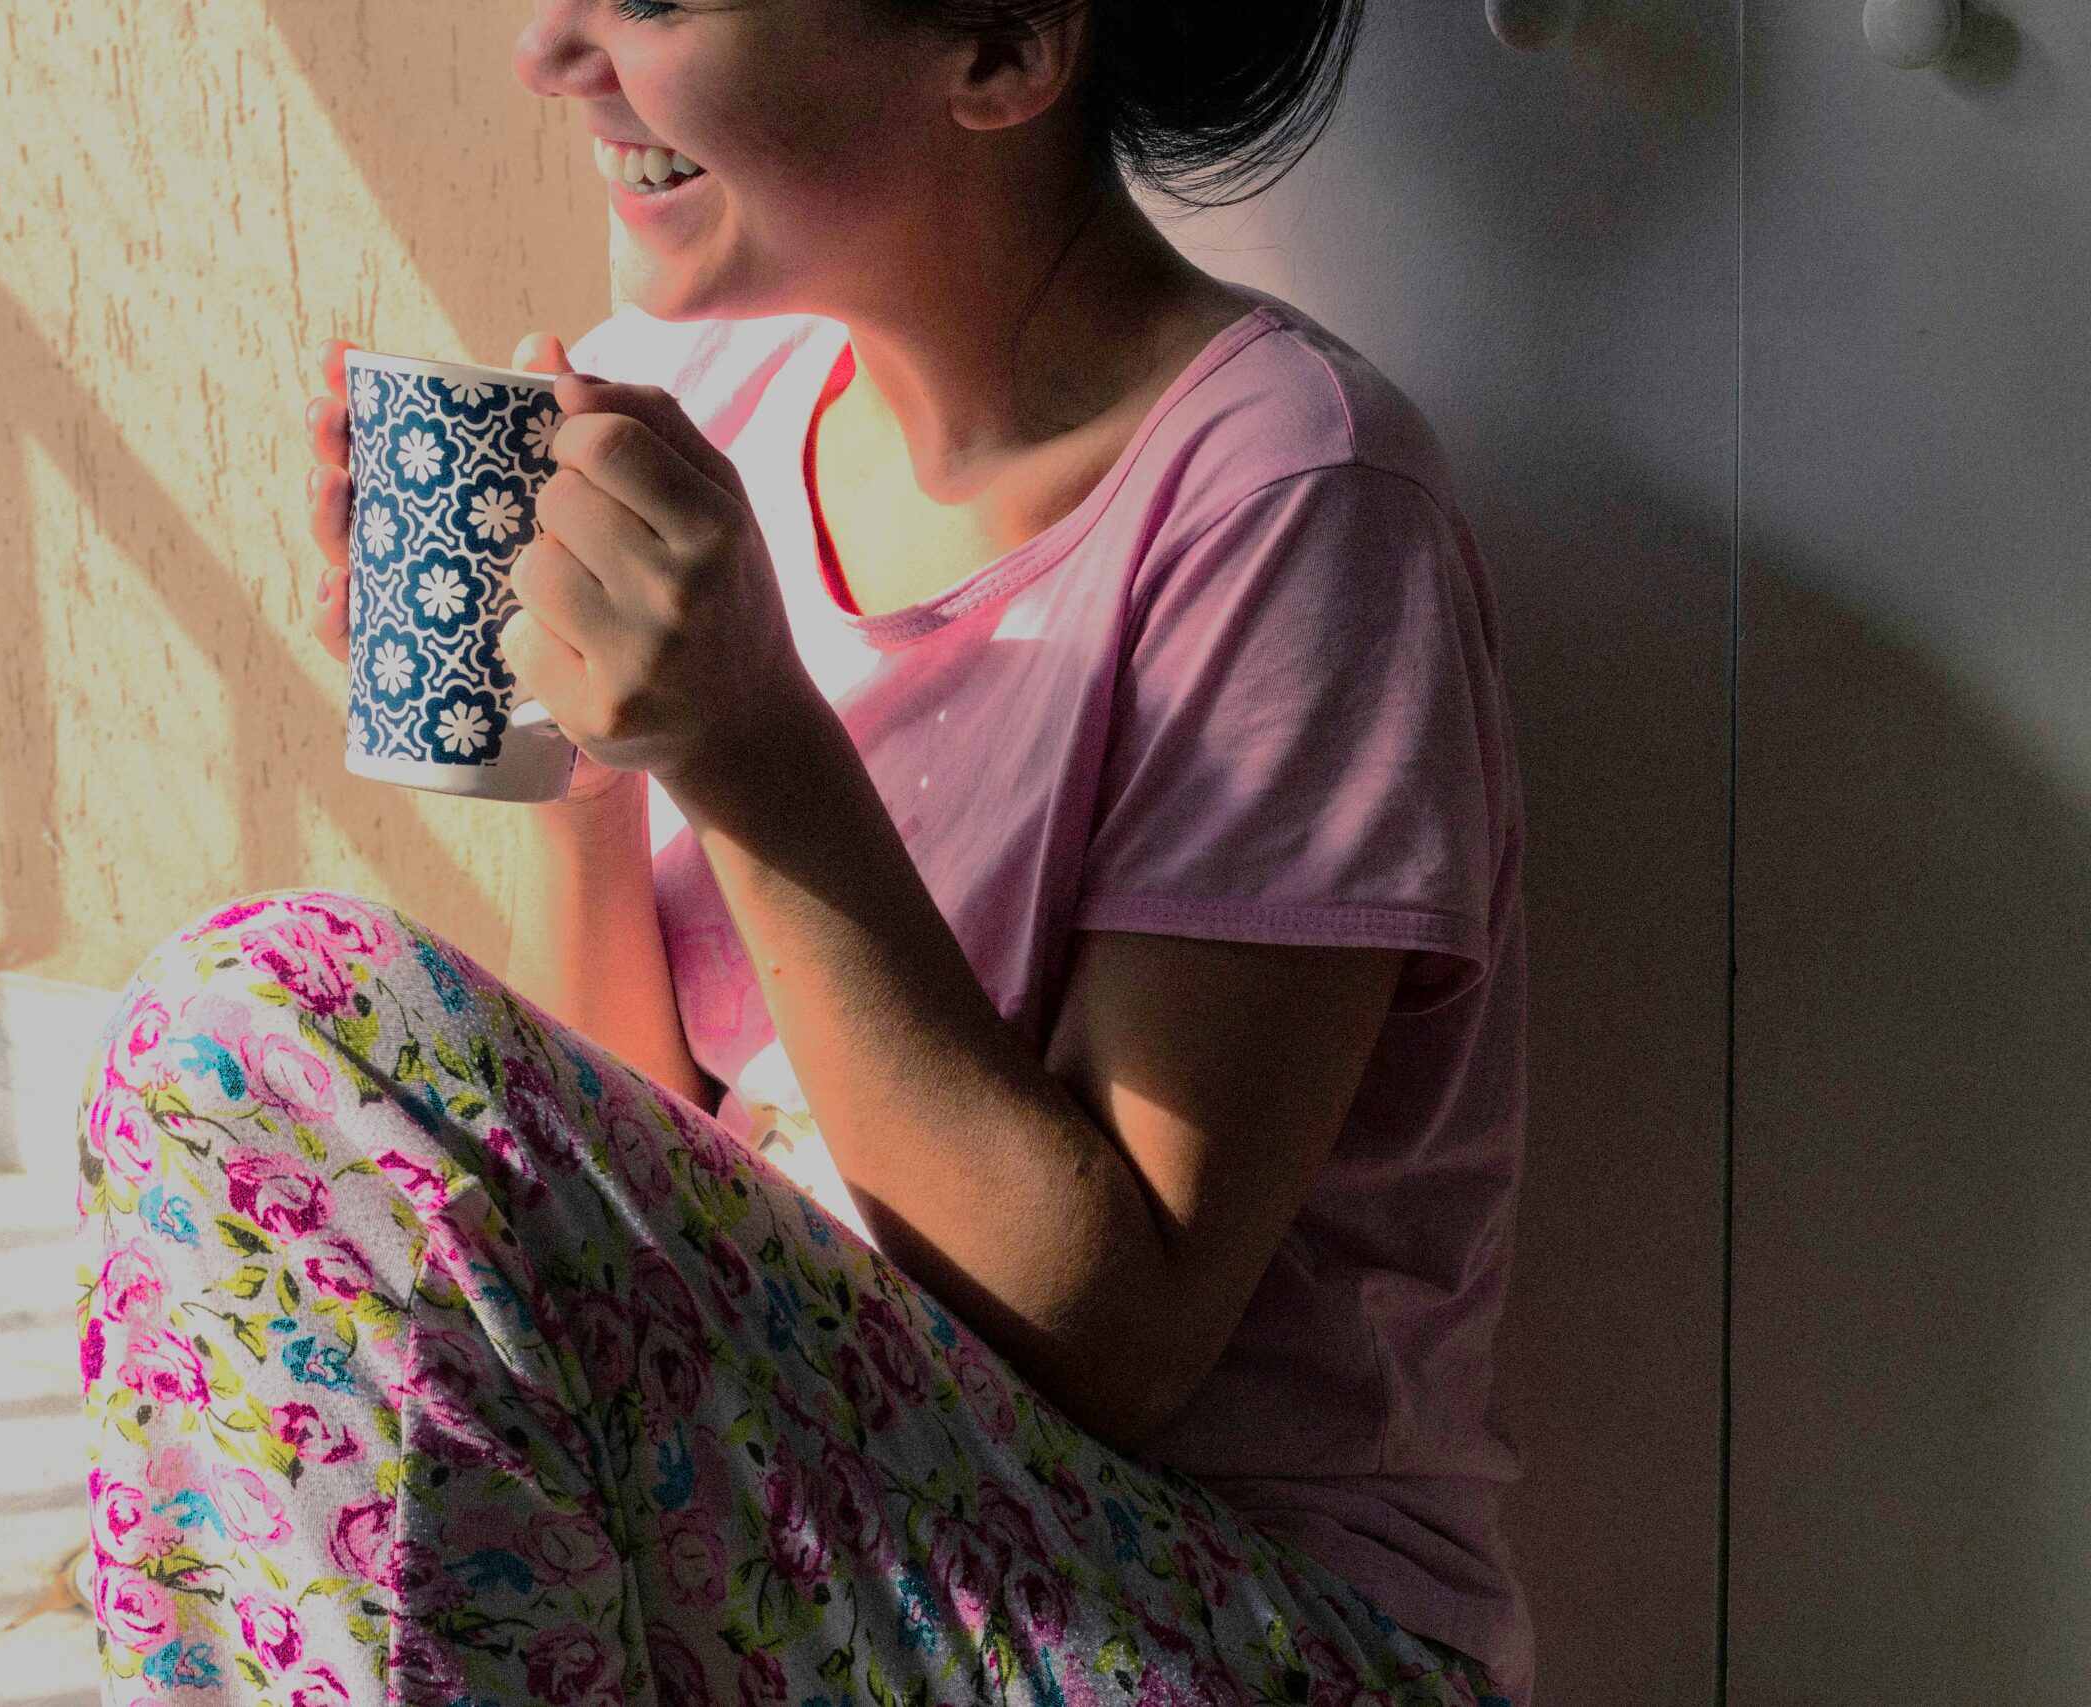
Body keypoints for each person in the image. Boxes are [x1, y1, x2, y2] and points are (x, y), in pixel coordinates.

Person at [74, 0, 1536, 1702]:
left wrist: (747, 743)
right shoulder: (707, 399)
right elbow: (620, 1200)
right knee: (260, 1112)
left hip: (1232, 1626)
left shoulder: (1294, 502)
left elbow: (1118, 1350)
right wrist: (578, 743)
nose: (548, 50)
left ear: (1002, 45)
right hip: (828, 1534)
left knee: (270, 1018)